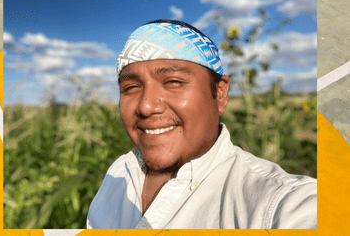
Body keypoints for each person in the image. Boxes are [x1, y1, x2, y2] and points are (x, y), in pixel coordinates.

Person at [86, 20, 317, 229]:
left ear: (220, 93)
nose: (146, 106)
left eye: (174, 82)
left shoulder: (276, 201)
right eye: (131, 88)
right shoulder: (118, 173)